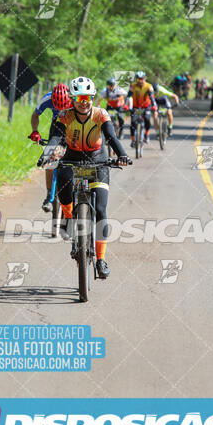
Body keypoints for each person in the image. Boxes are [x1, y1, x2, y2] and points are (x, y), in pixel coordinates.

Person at [45, 77, 131, 278]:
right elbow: (55, 138)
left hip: (97, 159)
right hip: (72, 157)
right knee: (64, 194)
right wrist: (46, 155)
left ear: (92, 98)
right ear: (73, 99)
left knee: (100, 209)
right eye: (79, 98)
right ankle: (67, 216)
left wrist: (122, 155)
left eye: (88, 97)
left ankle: (101, 260)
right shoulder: (64, 116)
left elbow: (111, 137)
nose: (84, 102)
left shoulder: (101, 114)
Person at [29, 83, 72, 212]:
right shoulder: (47, 98)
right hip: (58, 125)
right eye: (57, 107)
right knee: (50, 159)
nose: (60, 109)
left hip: (74, 124)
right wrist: (35, 131)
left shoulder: (76, 99)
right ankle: (49, 195)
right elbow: (35, 115)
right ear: (52, 100)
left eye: (63, 107)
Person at [126, 71, 157, 145]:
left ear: (145, 78)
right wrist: (125, 105)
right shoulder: (133, 86)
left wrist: (154, 105)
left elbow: (152, 97)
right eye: (138, 79)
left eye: (142, 79)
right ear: (136, 79)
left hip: (146, 107)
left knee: (147, 119)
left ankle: (146, 134)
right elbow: (128, 96)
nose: (140, 81)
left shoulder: (149, 86)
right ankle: (133, 140)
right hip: (136, 107)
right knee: (133, 122)